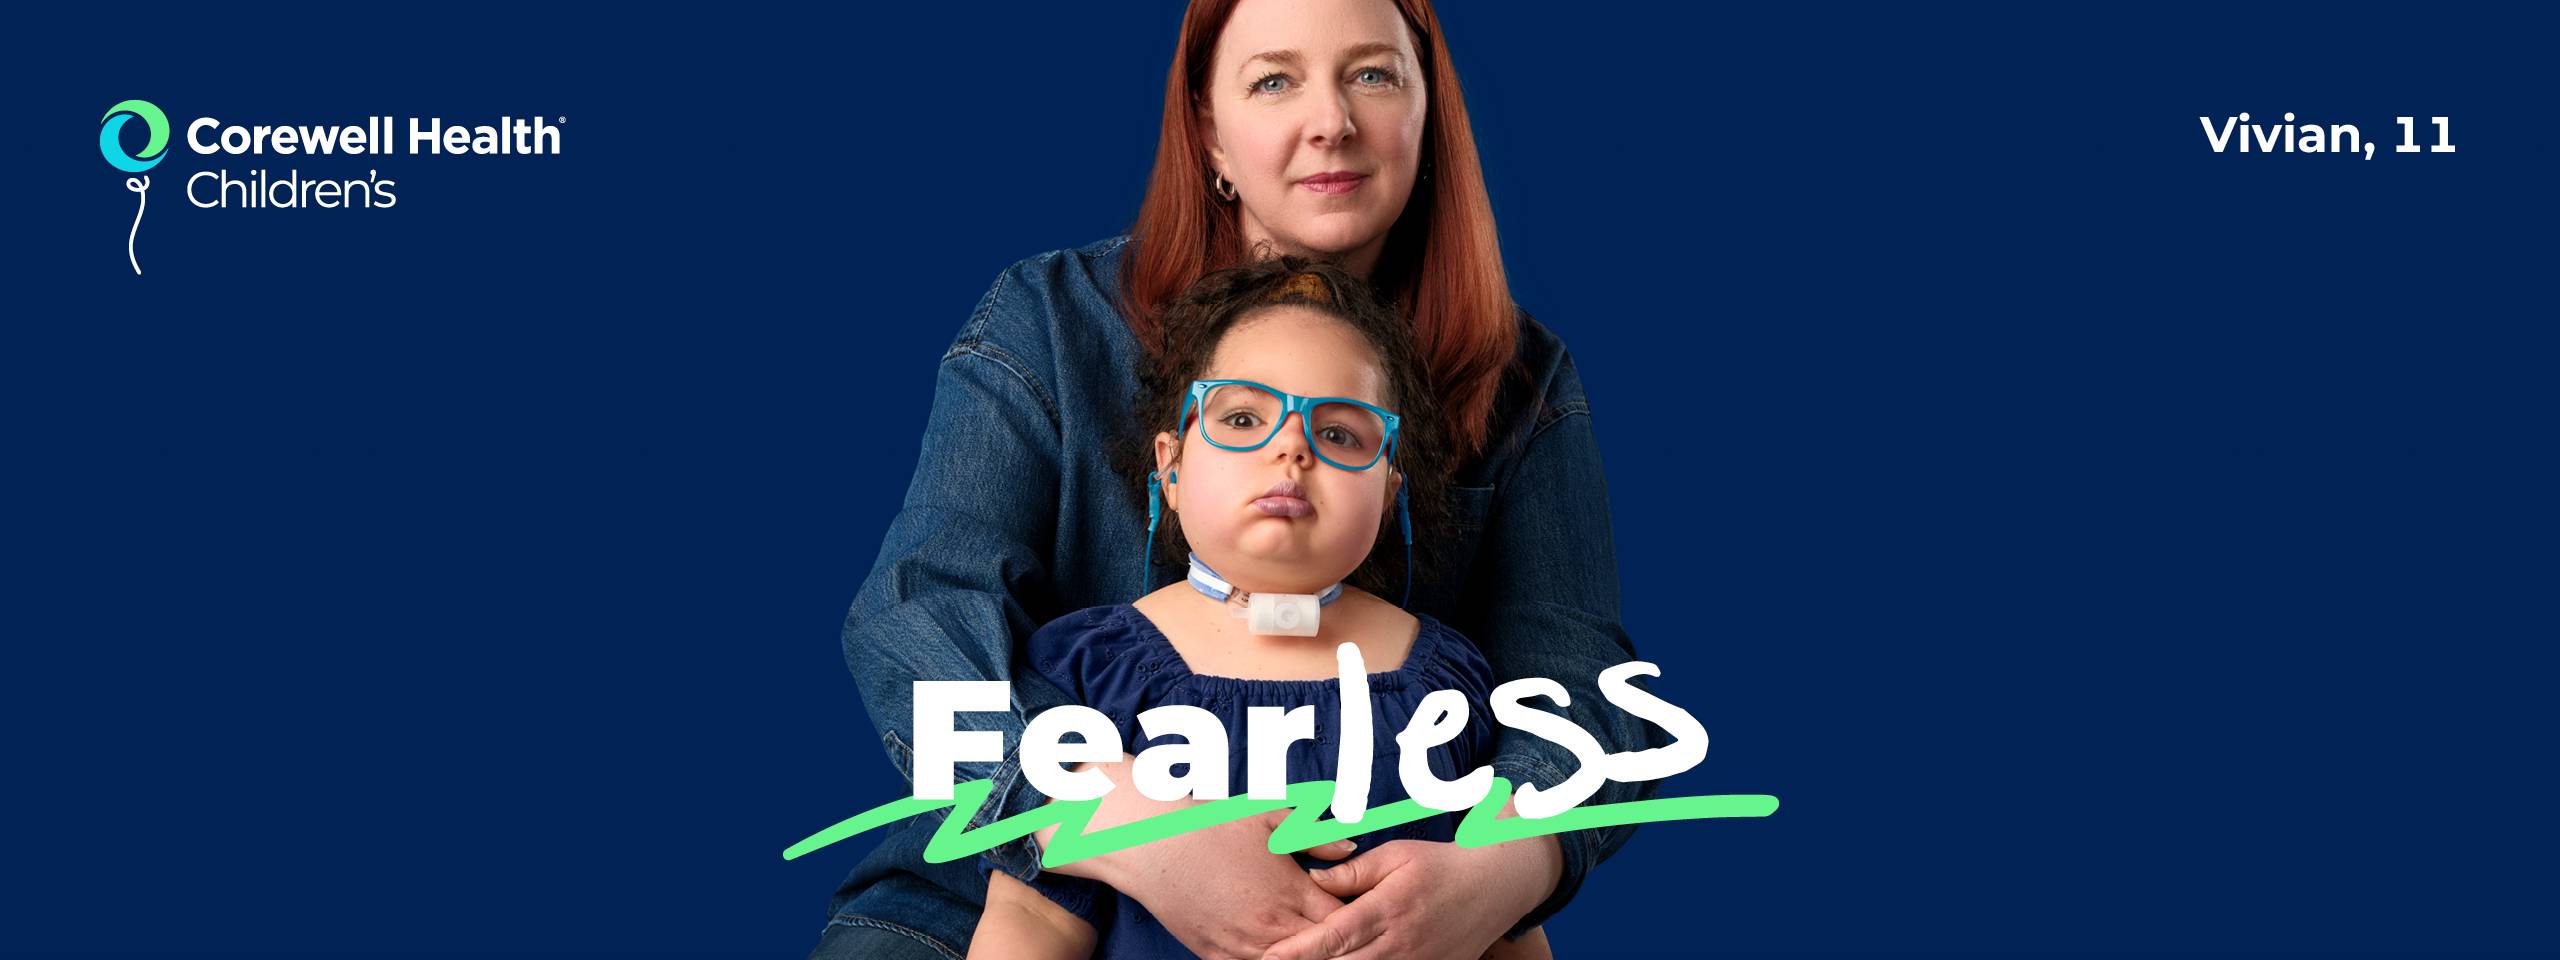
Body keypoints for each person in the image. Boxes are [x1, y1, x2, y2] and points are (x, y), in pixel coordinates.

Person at [814, 1, 1663, 957]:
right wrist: (1111, 816)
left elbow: (1580, 685)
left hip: (1375, 916)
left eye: (1374, 75)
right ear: (1211, 133)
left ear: (1429, 115)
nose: (1331, 120)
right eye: (1274, 79)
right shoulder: (1048, 324)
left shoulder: (1520, 378)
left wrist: (1507, 865)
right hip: (1002, 882)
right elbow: (915, 618)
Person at [965, 259, 1551, 960]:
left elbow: (1502, 926)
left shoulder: (1449, 680)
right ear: (1171, 469)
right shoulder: (1094, 672)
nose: (1292, 447)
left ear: (1389, 489)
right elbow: (1033, 923)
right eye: (1243, 417)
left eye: (1339, 433)